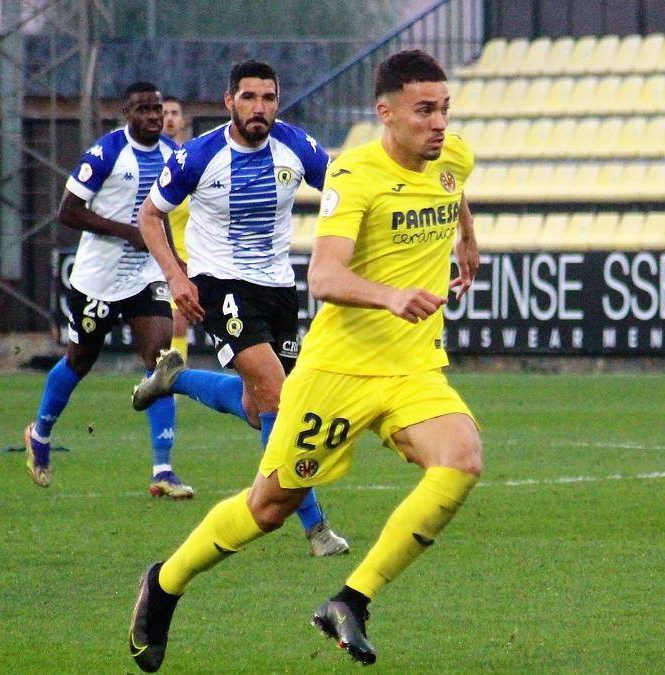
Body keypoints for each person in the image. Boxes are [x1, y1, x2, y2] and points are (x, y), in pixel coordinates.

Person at [127, 49, 482, 671]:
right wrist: (392, 295)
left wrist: (468, 242)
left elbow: (453, 190)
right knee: (269, 506)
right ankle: (165, 583)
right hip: (335, 371)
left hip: (413, 370)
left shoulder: (451, 155)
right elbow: (324, 275)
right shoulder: (353, 177)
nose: (439, 123)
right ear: (386, 115)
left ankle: (351, 600)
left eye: (444, 109)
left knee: (461, 460)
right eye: (424, 111)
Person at [131, 60, 349, 557]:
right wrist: (176, 276)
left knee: (258, 410)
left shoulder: (296, 146)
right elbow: (149, 216)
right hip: (219, 284)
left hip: (278, 288)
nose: (260, 108)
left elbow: (345, 191)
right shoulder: (199, 156)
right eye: (249, 98)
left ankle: (176, 379)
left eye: (268, 98)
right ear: (229, 101)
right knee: (279, 396)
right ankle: (315, 527)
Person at [22, 81, 193, 499]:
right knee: (80, 360)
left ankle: (163, 469)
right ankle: (40, 432)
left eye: (157, 108)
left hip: (144, 277)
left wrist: (175, 266)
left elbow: (164, 216)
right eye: (143, 110)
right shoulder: (106, 153)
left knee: (161, 361)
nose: (153, 116)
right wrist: (126, 232)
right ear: (126, 114)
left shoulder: (174, 156)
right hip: (96, 280)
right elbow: (68, 212)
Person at [161, 95, 192, 374]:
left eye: (174, 112)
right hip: (155, 253)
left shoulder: (192, 159)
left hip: (185, 252)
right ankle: (163, 373)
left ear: (183, 121)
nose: (169, 117)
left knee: (178, 320)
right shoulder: (154, 161)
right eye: (164, 112)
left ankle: (174, 376)